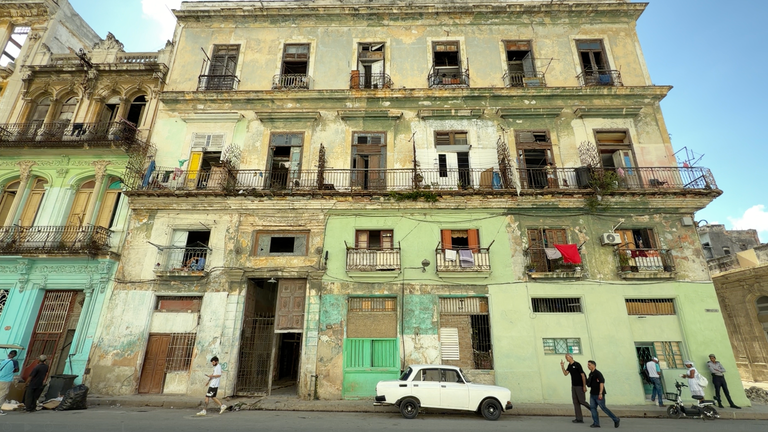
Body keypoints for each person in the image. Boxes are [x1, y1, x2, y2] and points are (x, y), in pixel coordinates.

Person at [586, 360, 620, 428]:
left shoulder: (598, 373)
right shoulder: (591, 374)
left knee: (603, 408)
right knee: (593, 408)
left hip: (598, 394)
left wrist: (600, 393)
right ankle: (596, 423)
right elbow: (589, 384)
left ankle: (615, 419)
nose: (588, 366)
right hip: (592, 394)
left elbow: (601, 383)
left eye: (589, 365)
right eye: (588, 365)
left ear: (593, 365)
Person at [560, 353, 591, 423]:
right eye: (565, 357)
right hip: (573, 386)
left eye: (567, 357)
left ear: (571, 357)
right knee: (575, 402)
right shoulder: (570, 365)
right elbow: (565, 373)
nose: (566, 358)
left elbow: (582, 375)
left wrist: (584, 386)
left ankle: (593, 410)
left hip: (579, 386)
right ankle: (579, 418)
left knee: (582, 400)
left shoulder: (577, 364)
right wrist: (562, 366)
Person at [0, 350, 20, 416]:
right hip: (6, 380)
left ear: (9, 355)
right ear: (15, 355)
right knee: (2, 395)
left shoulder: (2, 361)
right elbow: (17, 370)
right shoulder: (14, 362)